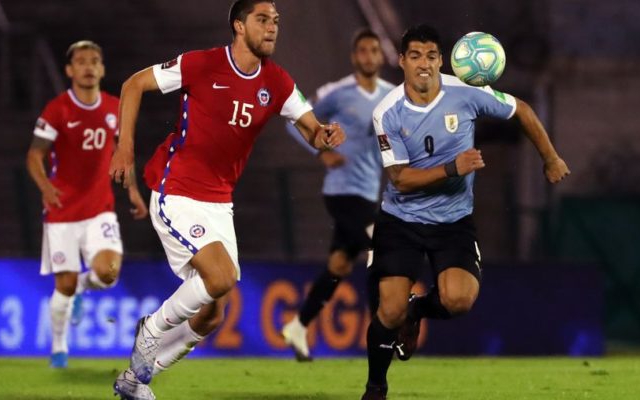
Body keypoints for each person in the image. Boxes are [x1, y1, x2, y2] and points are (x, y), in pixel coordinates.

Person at [108, 1, 346, 398]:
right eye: (262, 19)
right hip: (177, 189)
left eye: (276, 21)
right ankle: (151, 328)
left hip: (220, 202)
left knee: (213, 312)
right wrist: (124, 148)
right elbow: (133, 84)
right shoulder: (202, 64)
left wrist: (324, 135)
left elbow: (311, 129)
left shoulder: (278, 82)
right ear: (239, 25)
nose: (272, 28)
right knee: (220, 278)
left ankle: (135, 380)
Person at [361, 25, 570, 399]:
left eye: (430, 56)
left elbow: (520, 109)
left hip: (452, 222)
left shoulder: (466, 93)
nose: (423, 64)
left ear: (442, 61)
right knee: (388, 310)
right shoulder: (387, 112)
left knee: (459, 301)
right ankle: (376, 388)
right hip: (401, 220)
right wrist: (451, 168)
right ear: (401, 61)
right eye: (414, 56)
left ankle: (417, 312)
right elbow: (400, 180)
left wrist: (550, 158)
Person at [26, 40, 148, 369]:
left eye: (95, 60)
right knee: (62, 286)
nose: (89, 66)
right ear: (70, 70)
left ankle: (84, 284)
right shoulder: (57, 110)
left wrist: (133, 191)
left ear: (103, 69)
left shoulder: (114, 108)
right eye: (81, 62)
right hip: (62, 211)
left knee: (108, 273)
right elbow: (34, 156)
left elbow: (122, 154)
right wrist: (45, 186)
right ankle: (59, 348)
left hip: (99, 209)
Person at [280, 28, 394, 361]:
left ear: (380, 56)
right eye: (363, 51)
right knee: (378, 246)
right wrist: (321, 152)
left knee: (340, 265)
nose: (369, 56)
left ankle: (299, 326)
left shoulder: (391, 95)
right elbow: (293, 122)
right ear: (354, 56)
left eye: (374, 50)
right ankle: (382, 335)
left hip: (370, 191)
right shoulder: (337, 93)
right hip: (342, 191)